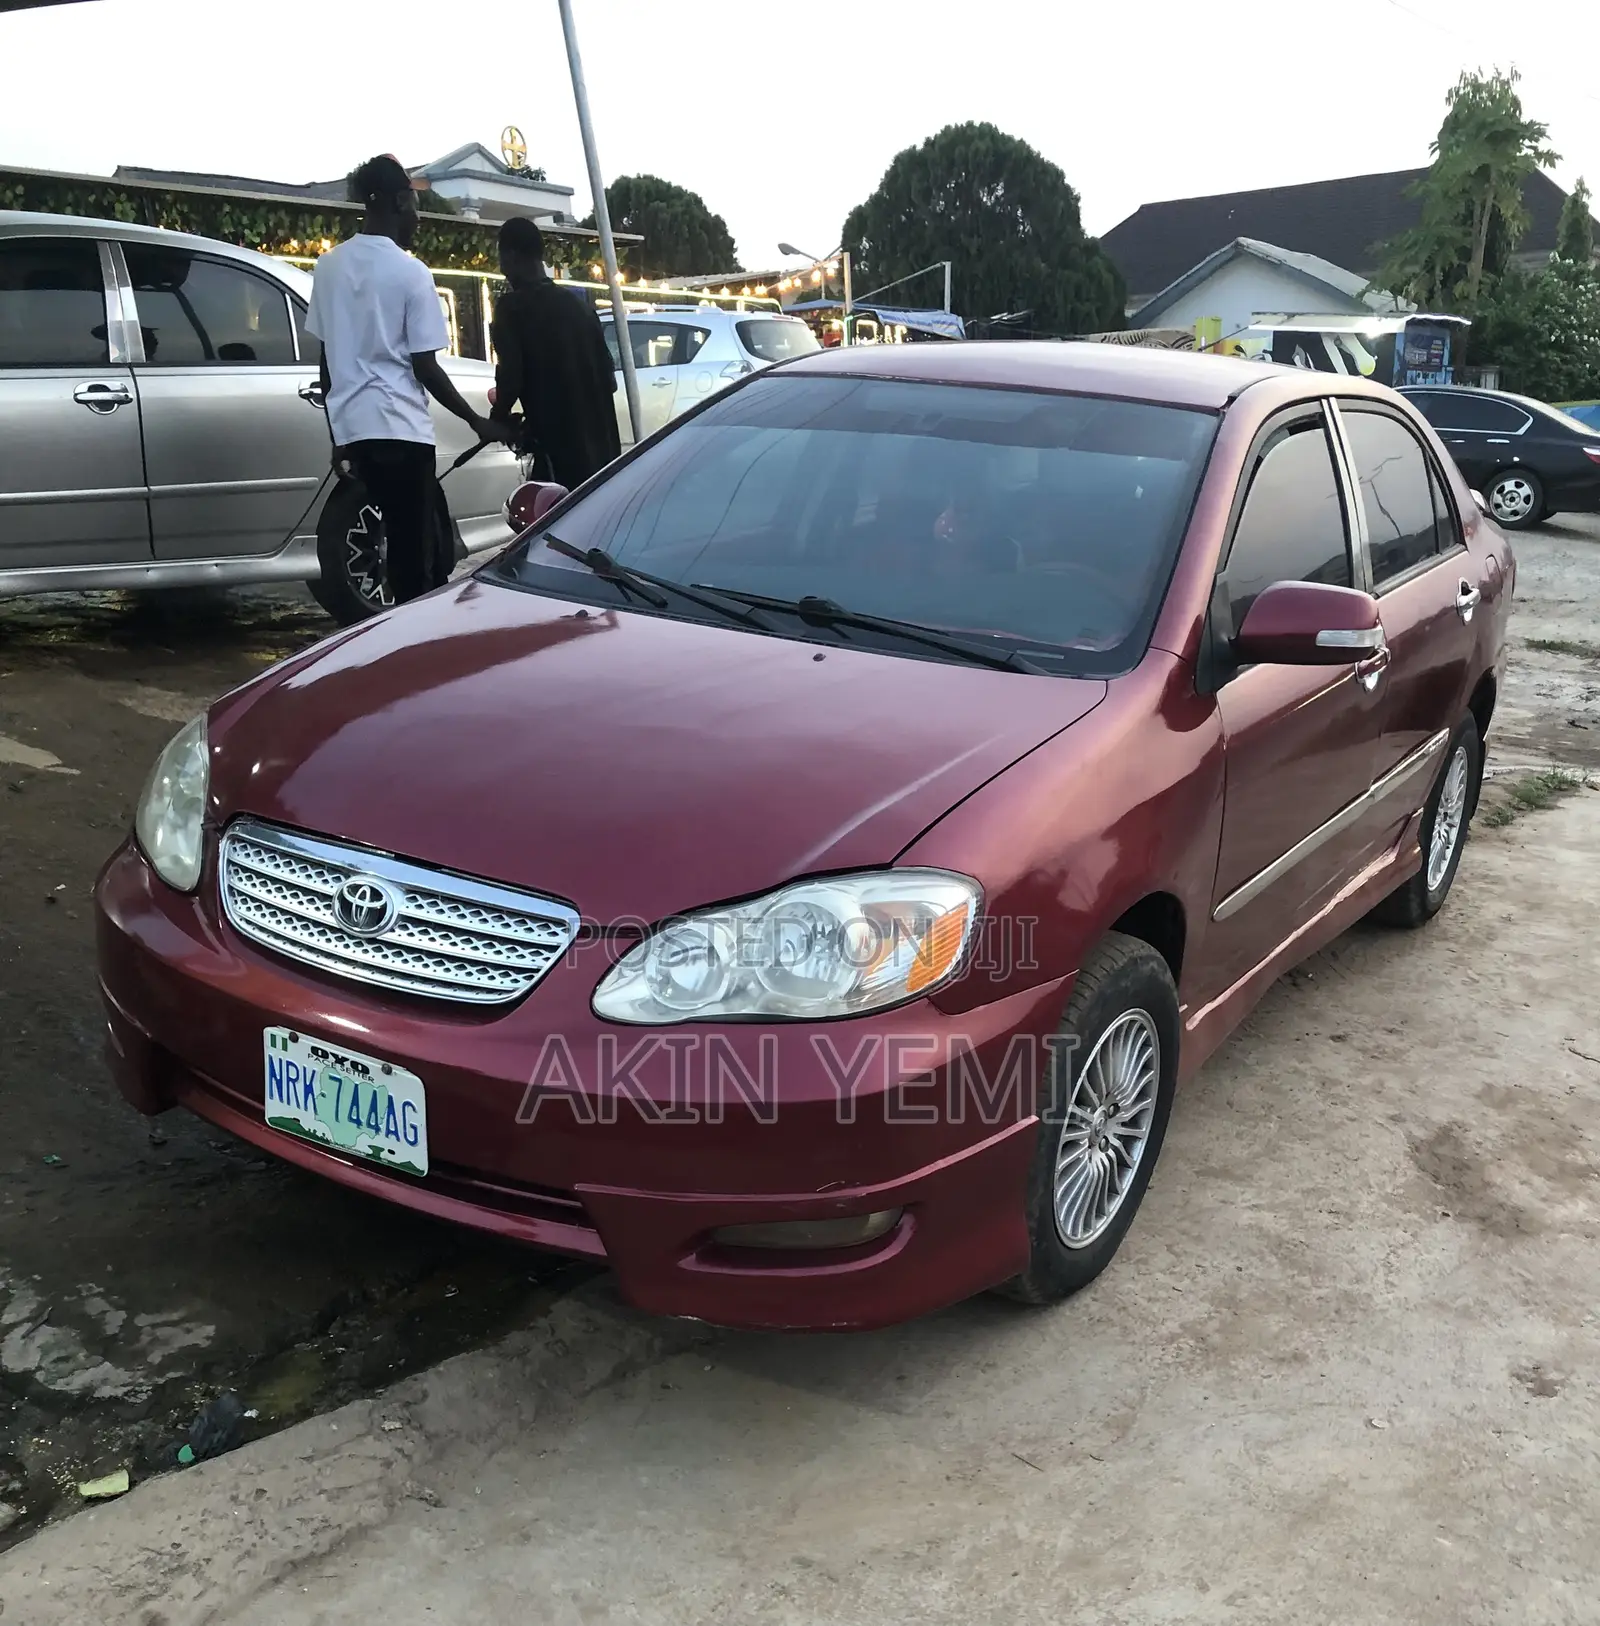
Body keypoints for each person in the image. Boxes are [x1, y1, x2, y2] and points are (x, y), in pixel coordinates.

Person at [306, 153, 512, 604]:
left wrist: (339, 435)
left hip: (357, 433)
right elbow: (424, 365)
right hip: (402, 430)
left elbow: (327, 360)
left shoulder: (328, 267)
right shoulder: (411, 272)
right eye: (414, 204)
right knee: (416, 556)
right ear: (399, 201)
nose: (418, 216)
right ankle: (413, 634)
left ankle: (392, 626)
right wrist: (477, 421)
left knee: (395, 544)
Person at [490, 217, 621, 490]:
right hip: (603, 454)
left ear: (510, 255)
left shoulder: (512, 309)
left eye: (500, 255)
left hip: (559, 456)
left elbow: (510, 378)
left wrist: (498, 419)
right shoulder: (581, 308)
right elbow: (609, 380)